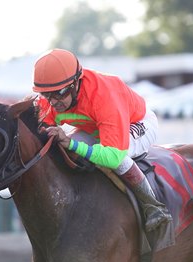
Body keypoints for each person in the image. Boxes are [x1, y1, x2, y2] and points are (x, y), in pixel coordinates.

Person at [33, 48, 172, 232]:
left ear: (76, 83)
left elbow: (113, 156)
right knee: (64, 150)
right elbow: (40, 135)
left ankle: (154, 207)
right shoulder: (50, 100)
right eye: (47, 95)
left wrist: (72, 143)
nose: (54, 102)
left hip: (137, 122)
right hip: (96, 128)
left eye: (60, 93)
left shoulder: (104, 96)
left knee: (119, 159)